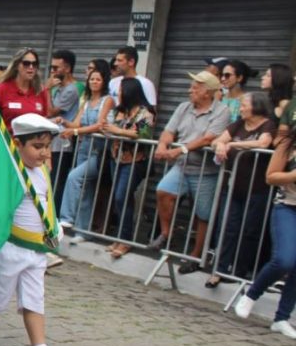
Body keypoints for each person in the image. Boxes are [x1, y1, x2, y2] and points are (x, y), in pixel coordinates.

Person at [0, 113, 77, 346]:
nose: (43, 153)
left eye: (47, 147)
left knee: (34, 298)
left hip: (37, 250)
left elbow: (46, 202)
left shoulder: (41, 173)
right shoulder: (11, 173)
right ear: (17, 144)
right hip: (11, 247)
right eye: (37, 147)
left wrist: (54, 227)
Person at [151, 70, 231, 272]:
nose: (190, 90)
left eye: (195, 88)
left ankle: (196, 256)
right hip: (182, 166)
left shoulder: (222, 111)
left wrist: (179, 149)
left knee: (203, 214)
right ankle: (167, 234)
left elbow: (208, 138)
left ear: (208, 93)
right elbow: (169, 131)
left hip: (206, 171)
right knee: (163, 190)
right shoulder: (183, 107)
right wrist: (162, 145)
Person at [206, 91, 276, 287]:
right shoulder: (237, 123)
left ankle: (240, 271)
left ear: (256, 106)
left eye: (244, 104)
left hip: (257, 188)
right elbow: (216, 140)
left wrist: (233, 144)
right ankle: (220, 269)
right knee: (228, 228)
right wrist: (220, 144)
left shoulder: (267, 124)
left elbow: (263, 142)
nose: (241, 108)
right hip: (234, 186)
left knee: (250, 230)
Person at [233, 134, 296, 339]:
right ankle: (251, 295)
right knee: (284, 260)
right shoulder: (288, 144)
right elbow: (271, 176)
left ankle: (281, 318)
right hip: (287, 207)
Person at [102, 77, 156, 258]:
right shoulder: (120, 111)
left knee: (122, 196)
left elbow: (141, 133)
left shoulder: (146, 113)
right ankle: (119, 237)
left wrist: (119, 131)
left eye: (122, 91)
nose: (118, 95)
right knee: (118, 199)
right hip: (115, 158)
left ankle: (125, 240)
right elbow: (107, 126)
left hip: (134, 160)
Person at [59, 61, 114, 232]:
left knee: (74, 177)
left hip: (99, 151)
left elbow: (99, 125)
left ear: (104, 81)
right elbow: (76, 123)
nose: (94, 82)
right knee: (86, 190)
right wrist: (65, 122)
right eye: (92, 79)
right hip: (83, 148)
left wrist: (75, 132)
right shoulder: (87, 101)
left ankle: (66, 218)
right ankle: (83, 230)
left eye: (98, 79)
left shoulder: (108, 100)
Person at [46, 49, 82, 207]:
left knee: (56, 181)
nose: (52, 72)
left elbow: (50, 111)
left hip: (62, 143)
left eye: (56, 68)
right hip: (52, 140)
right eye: (51, 68)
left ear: (67, 68)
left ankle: (54, 214)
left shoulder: (72, 90)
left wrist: (46, 90)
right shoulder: (59, 87)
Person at [0, 48, 49, 128]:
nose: (31, 67)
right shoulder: (1, 90)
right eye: (26, 63)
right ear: (16, 66)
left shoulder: (41, 91)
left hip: (34, 140)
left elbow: (44, 119)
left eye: (34, 64)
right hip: (9, 139)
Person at [264, 64, 295, 137]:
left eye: (268, 76)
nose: (263, 78)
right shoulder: (269, 100)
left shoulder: (285, 104)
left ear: (278, 79)